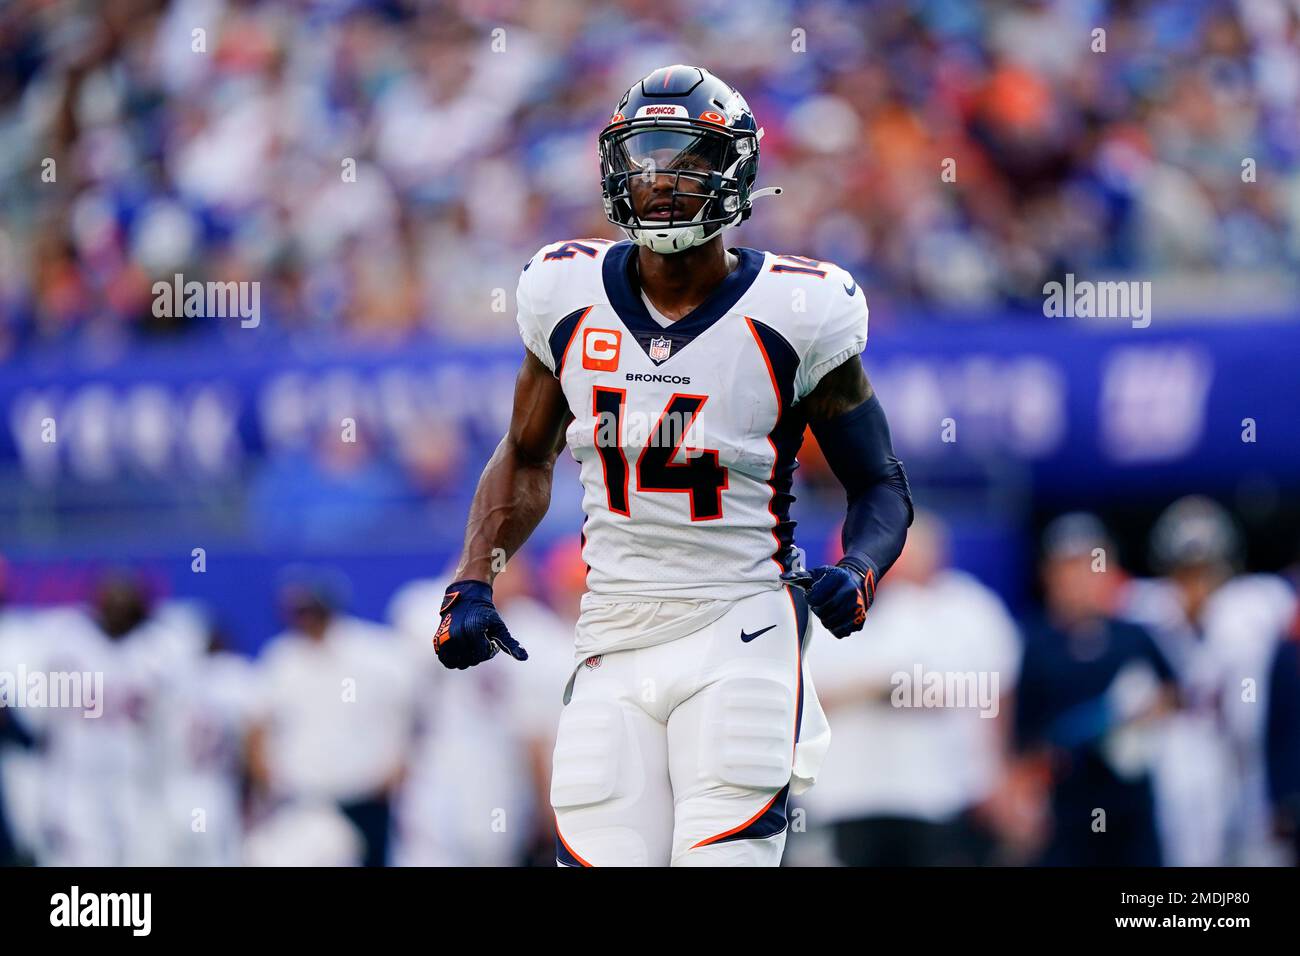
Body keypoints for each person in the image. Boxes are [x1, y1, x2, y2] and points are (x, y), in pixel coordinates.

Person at [432, 65, 913, 867]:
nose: (660, 179)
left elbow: (878, 481)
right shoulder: (563, 290)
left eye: (686, 157)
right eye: (645, 156)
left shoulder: (800, 310)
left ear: (734, 170)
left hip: (742, 624)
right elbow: (524, 453)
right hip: (612, 634)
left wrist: (860, 567)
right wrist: (473, 578)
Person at [807, 511, 1020, 866]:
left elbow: (985, 692)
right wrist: (879, 688)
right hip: (846, 793)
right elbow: (807, 696)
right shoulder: (821, 607)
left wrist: (996, 774)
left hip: (936, 791)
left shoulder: (960, 608)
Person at [1014, 514, 1178, 866]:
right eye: (1068, 569)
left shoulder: (1133, 636)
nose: (1079, 580)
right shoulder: (1039, 644)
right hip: (1070, 804)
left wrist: (1136, 714)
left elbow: (1174, 693)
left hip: (1131, 797)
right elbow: (1025, 736)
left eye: (1089, 567)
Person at [248, 574, 417, 867]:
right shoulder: (282, 657)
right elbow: (259, 724)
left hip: (364, 797)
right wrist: (267, 775)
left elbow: (412, 711)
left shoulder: (374, 652)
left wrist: (399, 765)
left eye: (310, 609)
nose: (305, 618)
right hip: (301, 799)